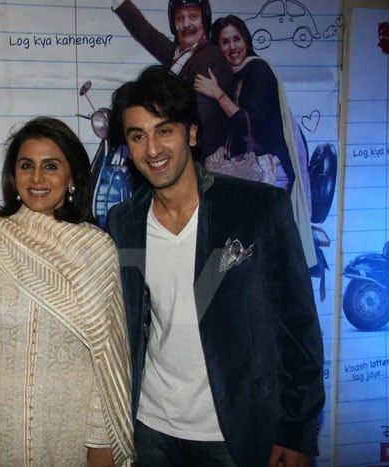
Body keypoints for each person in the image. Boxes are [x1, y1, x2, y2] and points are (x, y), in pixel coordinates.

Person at [106, 66, 324, 466]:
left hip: (237, 432)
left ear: (191, 133)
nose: (152, 148)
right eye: (138, 136)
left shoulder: (257, 207)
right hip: (150, 428)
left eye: (164, 130)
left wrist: (297, 431)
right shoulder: (123, 222)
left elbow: (299, 328)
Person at [0, 117, 134, 466]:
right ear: (14, 177)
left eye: (51, 166)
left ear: (71, 176)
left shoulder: (97, 248)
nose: (37, 178)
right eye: (26, 166)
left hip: (72, 434)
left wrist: (100, 440)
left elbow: (106, 361)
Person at [193, 14, 316, 267]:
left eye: (236, 39)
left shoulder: (258, 70)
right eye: (225, 42)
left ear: (246, 41)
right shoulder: (234, 76)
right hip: (253, 171)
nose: (233, 47)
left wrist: (217, 94)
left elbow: (251, 127)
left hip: (272, 171)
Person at [111, 0, 232, 160]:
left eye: (193, 16)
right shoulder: (183, 54)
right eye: (180, 18)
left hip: (200, 161)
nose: (186, 24)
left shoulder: (210, 59)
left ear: (205, 20)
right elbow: (146, 34)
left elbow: (204, 122)